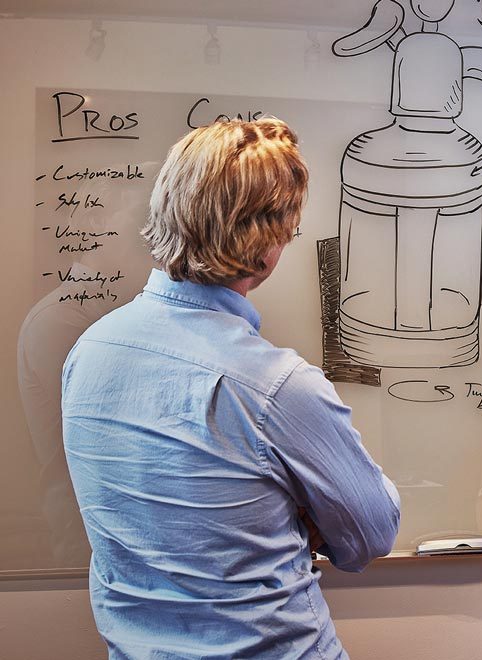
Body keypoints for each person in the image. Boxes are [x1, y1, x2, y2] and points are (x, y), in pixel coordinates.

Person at [61, 118, 400, 659]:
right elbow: (371, 535)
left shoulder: (90, 350)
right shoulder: (279, 389)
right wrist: (299, 514)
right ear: (268, 242)